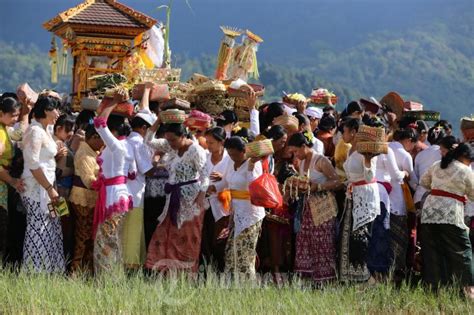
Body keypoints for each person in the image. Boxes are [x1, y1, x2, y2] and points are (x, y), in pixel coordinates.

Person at [145, 118, 209, 273]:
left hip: (190, 200)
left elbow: (205, 175)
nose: (171, 143)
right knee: (168, 234)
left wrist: (201, 195)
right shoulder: (170, 146)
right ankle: (165, 270)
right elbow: (148, 140)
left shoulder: (196, 150)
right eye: (168, 139)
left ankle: (185, 273)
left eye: (173, 140)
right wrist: (159, 121)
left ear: (183, 136)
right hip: (172, 199)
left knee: (186, 237)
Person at [288, 132, 342, 283]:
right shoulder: (303, 163)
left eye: (296, 151)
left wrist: (318, 186)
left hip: (323, 209)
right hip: (307, 209)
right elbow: (304, 184)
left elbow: (338, 183)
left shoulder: (321, 160)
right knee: (306, 242)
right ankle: (308, 278)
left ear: (304, 147)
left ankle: (326, 279)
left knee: (323, 243)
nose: (295, 155)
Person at [420, 143, 474, 294]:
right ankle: (468, 289)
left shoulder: (437, 164)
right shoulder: (465, 170)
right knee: (463, 251)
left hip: (429, 212)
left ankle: (435, 290)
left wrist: (440, 188)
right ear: (465, 157)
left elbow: (423, 182)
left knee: (433, 251)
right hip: (450, 213)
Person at [210, 136, 265, 280]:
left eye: (235, 154)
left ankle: (246, 286)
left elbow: (254, 186)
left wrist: (251, 166)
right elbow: (227, 181)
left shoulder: (253, 163)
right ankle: (231, 284)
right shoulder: (231, 162)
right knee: (230, 251)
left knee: (244, 252)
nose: (233, 157)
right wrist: (212, 188)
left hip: (251, 214)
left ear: (244, 151)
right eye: (230, 154)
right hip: (236, 213)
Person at [92, 92, 135, 274]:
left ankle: (107, 279)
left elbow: (99, 124)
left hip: (112, 195)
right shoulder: (127, 146)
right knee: (112, 239)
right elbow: (132, 174)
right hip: (120, 192)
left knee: (105, 240)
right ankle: (113, 279)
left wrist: (113, 102)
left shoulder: (116, 146)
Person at [21, 96, 64, 272]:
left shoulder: (45, 130)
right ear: (46, 110)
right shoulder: (36, 131)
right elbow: (33, 164)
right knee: (38, 229)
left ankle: (50, 271)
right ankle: (34, 272)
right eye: (55, 110)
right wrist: (49, 188)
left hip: (48, 187)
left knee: (51, 229)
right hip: (36, 189)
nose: (57, 114)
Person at [339, 118, 380, 282]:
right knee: (349, 235)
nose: (342, 134)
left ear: (354, 132)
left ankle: (364, 277)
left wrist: (369, 160)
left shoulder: (366, 150)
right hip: (353, 194)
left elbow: (370, 176)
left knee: (361, 236)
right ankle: (350, 275)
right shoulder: (350, 151)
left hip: (364, 195)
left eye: (345, 131)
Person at [122, 112, 155, 269]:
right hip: (135, 193)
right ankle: (131, 264)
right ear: (144, 128)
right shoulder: (138, 143)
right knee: (133, 230)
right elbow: (147, 170)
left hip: (123, 192)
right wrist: (157, 162)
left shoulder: (127, 140)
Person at [69, 123, 103, 273]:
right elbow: (89, 181)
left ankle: (86, 270)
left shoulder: (93, 151)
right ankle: (75, 271)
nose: (104, 143)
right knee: (82, 238)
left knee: (90, 238)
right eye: (102, 139)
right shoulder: (84, 153)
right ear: (94, 137)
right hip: (82, 200)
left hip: (91, 200)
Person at [200, 127, 231, 271]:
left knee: (220, 241)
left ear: (221, 142)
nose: (208, 145)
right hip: (205, 205)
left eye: (211, 143)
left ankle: (221, 272)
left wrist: (222, 181)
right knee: (205, 241)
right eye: (207, 142)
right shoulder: (204, 157)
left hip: (223, 207)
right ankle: (207, 272)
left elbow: (236, 181)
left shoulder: (229, 159)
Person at [388, 128, 418, 275]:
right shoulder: (405, 155)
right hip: (397, 197)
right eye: (413, 145)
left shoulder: (386, 146)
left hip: (382, 195)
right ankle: (398, 270)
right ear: (408, 141)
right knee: (399, 236)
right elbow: (412, 181)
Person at [0, 97, 25, 263]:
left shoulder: (5, 128)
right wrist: (12, 181)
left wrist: (26, 114)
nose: (16, 118)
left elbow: (21, 134)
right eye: (13, 115)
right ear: (2, 113)